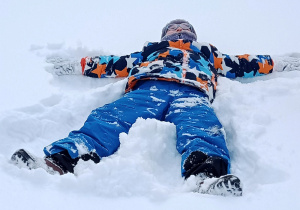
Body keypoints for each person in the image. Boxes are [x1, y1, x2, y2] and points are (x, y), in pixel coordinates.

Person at [11, 19, 300, 196]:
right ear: (164, 35)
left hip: (192, 93)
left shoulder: (208, 54)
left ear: (192, 35)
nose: (179, 31)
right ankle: (61, 161)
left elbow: (247, 63)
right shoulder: (149, 52)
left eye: (184, 29)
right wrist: (77, 64)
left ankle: (206, 175)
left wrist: (283, 62)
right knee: (109, 119)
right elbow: (112, 64)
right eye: (173, 29)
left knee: (202, 127)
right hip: (148, 89)